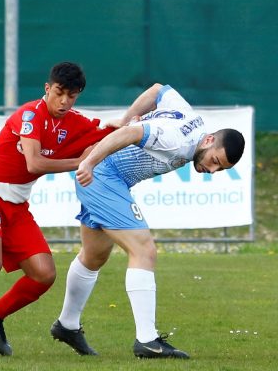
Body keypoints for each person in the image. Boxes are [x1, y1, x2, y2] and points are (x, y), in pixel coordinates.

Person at [0, 62, 153, 356]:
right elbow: (33, 163)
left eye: (71, 96)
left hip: (17, 207)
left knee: (44, 274)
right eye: (59, 93)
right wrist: (82, 162)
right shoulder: (29, 115)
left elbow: (109, 131)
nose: (64, 101)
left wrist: (132, 124)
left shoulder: (73, 122)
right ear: (47, 89)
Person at [50, 83, 245, 359]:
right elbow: (131, 133)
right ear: (209, 140)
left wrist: (127, 115)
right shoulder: (177, 139)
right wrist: (90, 162)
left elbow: (157, 90)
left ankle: (67, 325)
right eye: (214, 161)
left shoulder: (191, 118)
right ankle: (147, 340)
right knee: (144, 250)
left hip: (108, 179)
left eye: (219, 169)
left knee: (93, 256)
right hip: (102, 177)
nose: (211, 169)